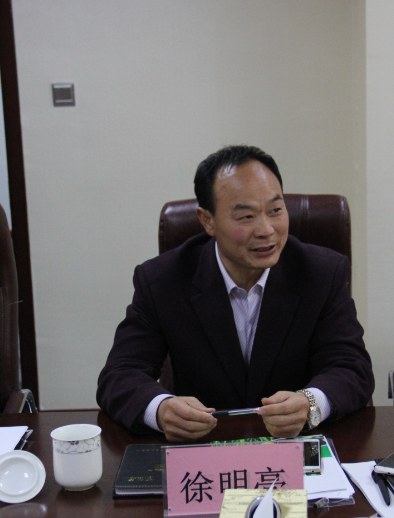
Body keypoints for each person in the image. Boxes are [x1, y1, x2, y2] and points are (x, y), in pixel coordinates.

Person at [97, 145, 374, 442]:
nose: (266, 230)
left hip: (294, 447)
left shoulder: (322, 273)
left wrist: (311, 404)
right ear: (207, 221)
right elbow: (120, 374)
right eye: (246, 217)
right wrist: (161, 409)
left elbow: (351, 368)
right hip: (204, 447)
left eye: (276, 210)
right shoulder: (162, 280)